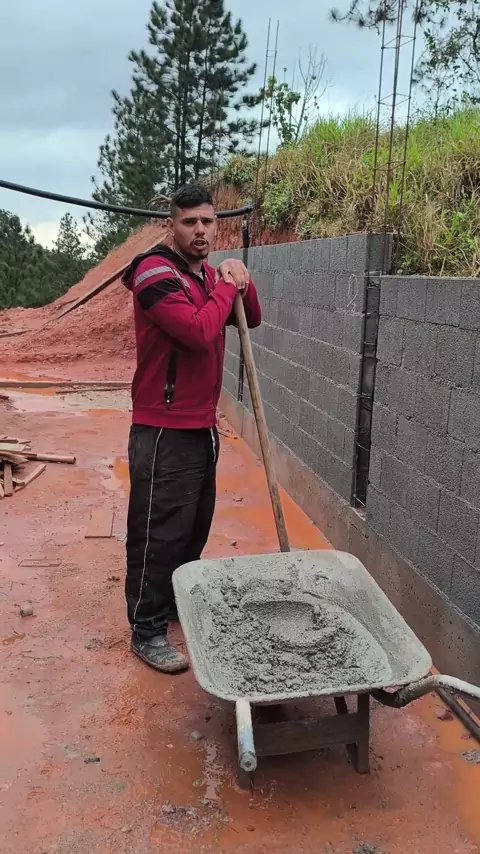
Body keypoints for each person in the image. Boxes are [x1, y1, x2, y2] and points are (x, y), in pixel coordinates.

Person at [122, 184, 262, 674]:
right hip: (163, 428)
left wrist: (240, 278)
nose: (200, 230)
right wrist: (226, 285)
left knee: (193, 528)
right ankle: (146, 629)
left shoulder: (203, 276)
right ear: (171, 226)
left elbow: (252, 318)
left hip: (202, 424)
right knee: (158, 533)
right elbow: (199, 332)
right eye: (189, 222)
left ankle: (172, 602)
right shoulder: (153, 274)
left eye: (207, 221)